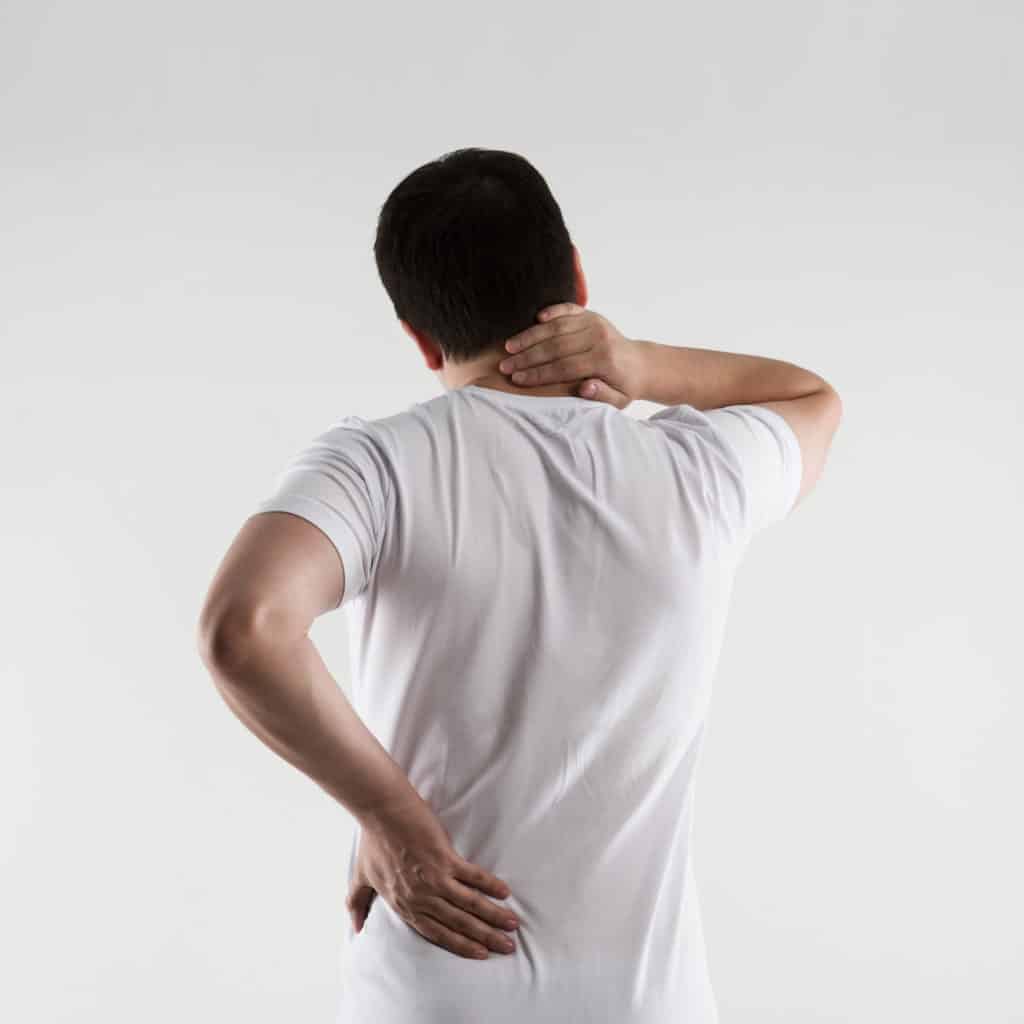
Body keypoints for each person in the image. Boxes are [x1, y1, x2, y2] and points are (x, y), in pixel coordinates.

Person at [197, 147, 843, 1023]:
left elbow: (245, 629)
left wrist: (389, 819)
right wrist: (641, 362)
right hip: (645, 1001)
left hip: (435, 993)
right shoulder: (697, 469)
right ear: (575, 278)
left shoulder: (379, 464)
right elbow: (811, 398)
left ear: (419, 335)